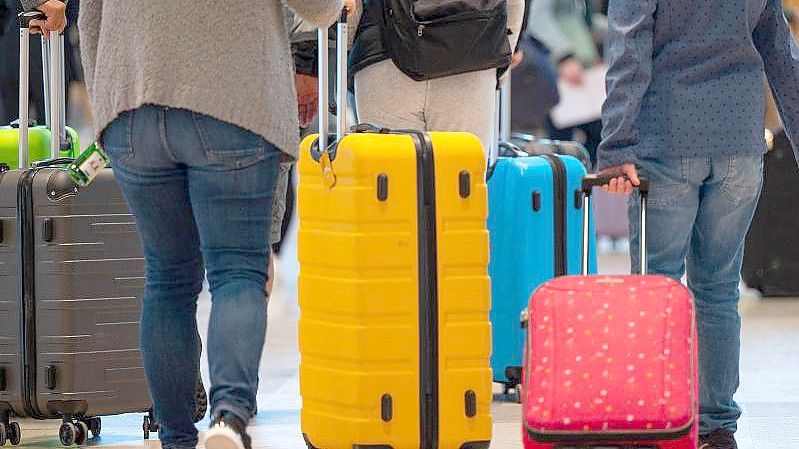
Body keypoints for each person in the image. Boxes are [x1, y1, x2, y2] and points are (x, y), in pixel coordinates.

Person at [23, 1, 352, 449]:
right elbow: (317, 8)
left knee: (168, 279)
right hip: (231, 99)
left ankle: (176, 436)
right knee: (237, 272)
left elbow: (91, 14)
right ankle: (228, 419)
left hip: (132, 105)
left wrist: (110, 108)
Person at [597, 1, 799, 448]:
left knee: (658, 288)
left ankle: (660, 417)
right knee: (719, 288)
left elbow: (628, 52)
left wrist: (615, 148)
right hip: (740, 145)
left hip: (666, 139)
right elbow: (782, 55)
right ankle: (716, 426)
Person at [350, 0, 525, 151]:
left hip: (384, 56)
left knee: (390, 177)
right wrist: (501, 56)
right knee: (460, 179)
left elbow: (346, 9)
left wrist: (340, 52)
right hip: (472, 56)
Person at [527, 0, 605, 166]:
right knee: (562, 146)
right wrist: (564, 56)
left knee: (594, 139)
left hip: (580, 68)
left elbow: (573, 17)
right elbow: (537, 17)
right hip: (560, 70)